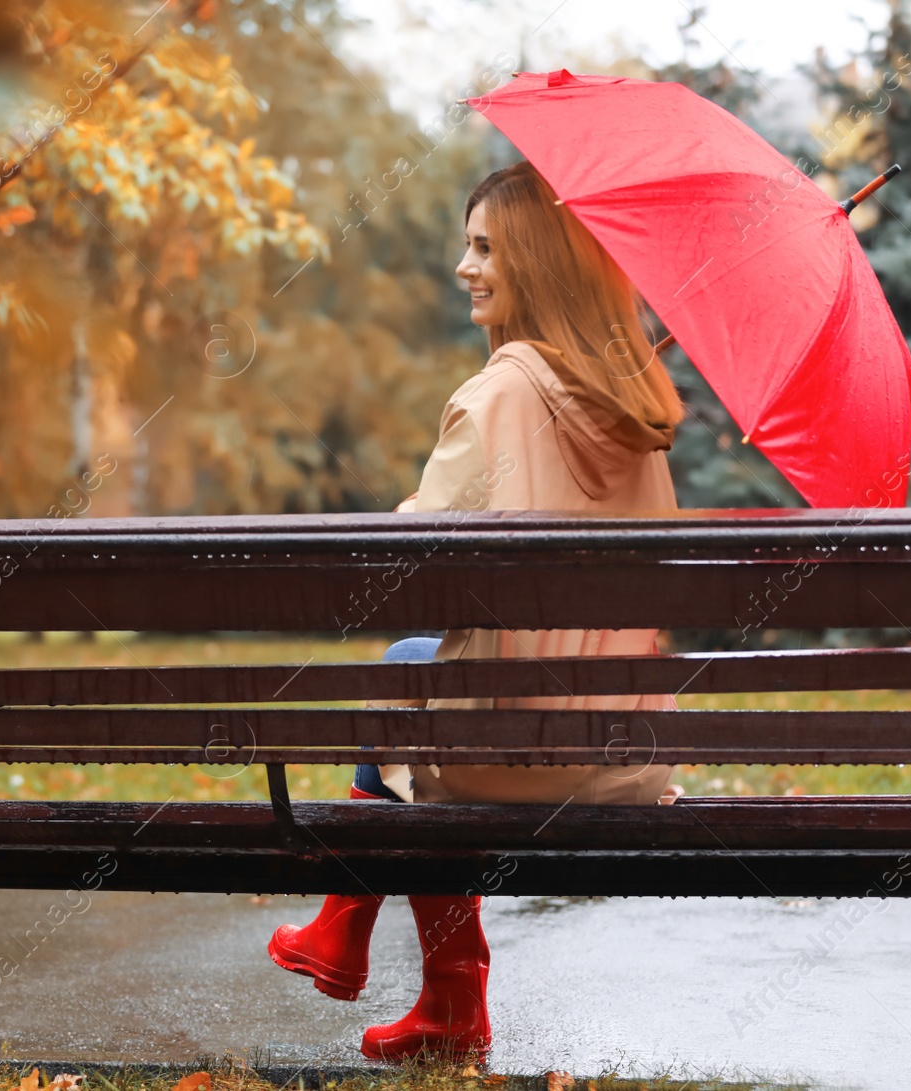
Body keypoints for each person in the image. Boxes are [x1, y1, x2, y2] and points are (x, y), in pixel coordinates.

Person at [267, 160, 685, 1064]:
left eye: (487, 247)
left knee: (405, 671)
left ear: (538, 264)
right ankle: (426, 989)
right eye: (468, 244)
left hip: (509, 757)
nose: (465, 266)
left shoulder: (499, 393)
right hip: (626, 759)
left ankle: (367, 934)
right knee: (415, 670)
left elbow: (398, 572)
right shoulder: (639, 412)